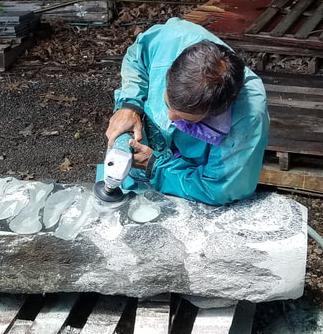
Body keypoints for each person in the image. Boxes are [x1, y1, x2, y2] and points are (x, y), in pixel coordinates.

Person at [100, 17, 269, 205]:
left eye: (184, 118)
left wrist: (157, 167)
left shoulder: (247, 116)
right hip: (144, 162)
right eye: (167, 103)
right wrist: (130, 105)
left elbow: (218, 188)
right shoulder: (170, 40)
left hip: (190, 189)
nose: (169, 117)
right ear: (169, 71)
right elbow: (136, 58)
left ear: (215, 112)